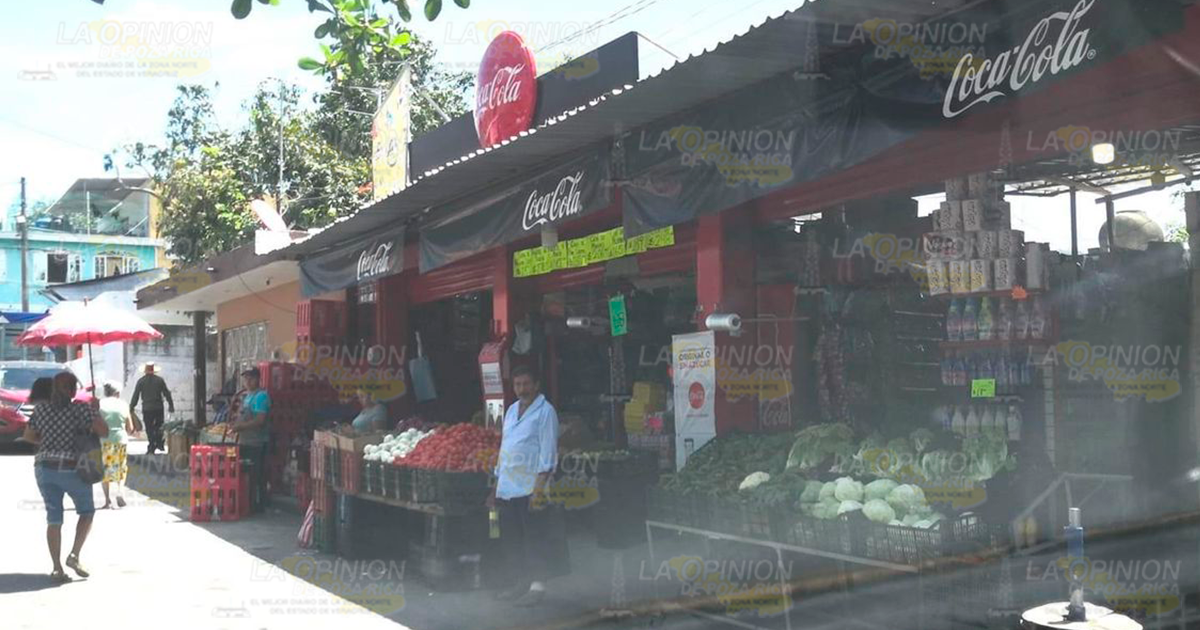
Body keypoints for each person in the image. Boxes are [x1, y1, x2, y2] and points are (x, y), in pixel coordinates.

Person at [21, 372, 108, 583]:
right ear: (71, 390)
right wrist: (96, 412)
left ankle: (57, 568)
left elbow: (28, 436)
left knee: (54, 518)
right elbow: (104, 431)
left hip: (44, 468)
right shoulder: (81, 409)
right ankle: (74, 555)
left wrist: (49, 439)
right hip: (73, 469)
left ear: (53, 389)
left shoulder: (41, 409)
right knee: (87, 512)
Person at [487, 365, 560, 607]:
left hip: (531, 487)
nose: (522, 390)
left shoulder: (545, 412)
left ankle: (538, 587)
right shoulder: (510, 411)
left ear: (536, 385)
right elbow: (504, 450)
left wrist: (538, 490)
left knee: (534, 538)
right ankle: (520, 583)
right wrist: (495, 487)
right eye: (517, 385)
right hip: (508, 487)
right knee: (512, 539)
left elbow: (548, 454)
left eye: (526, 384)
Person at [228, 367, 270, 511]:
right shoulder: (247, 396)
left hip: (257, 443)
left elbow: (260, 420)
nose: (248, 381)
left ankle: (258, 505)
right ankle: (248, 503)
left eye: (251, 378)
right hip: (245, 441)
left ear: (258, 379)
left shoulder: (261, 396)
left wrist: (242, 427)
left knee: (256, 476)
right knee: (246, 475)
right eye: (245, 378)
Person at [98, 381, 135, 509]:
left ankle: (107, 500)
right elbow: (130, 428)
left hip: (104, 441)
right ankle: (120, 490)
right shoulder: (123, 405)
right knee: (121, 467)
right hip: (120, 440)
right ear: (117, 393)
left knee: (105, 470)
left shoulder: (99, 404)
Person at [130, 362, 174, 455]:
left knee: (149, 428)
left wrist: (131, 407)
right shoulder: (159, 380)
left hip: (147, 408)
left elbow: (136, 395)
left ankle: (151, 446)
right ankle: (158, 442)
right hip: (158, 407)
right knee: (159, 426)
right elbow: (167, 393)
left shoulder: (141, 381)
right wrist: (171, 405)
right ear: (153, 370)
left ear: (145, 371)